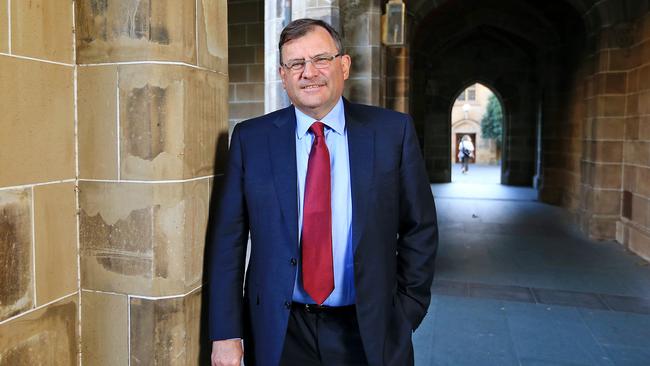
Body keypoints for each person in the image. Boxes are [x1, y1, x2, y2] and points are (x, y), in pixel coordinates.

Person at [208, 18, 438, 366]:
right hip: (281, 331)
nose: (308, 72)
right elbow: (228, 241)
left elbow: (419, 228)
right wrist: (226, 333)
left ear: (343, 65)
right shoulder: (251, 140)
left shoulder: (392, 132)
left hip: (369, 329)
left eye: (320, 59)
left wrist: (406, 311)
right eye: (295, 64)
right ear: (283, 75)